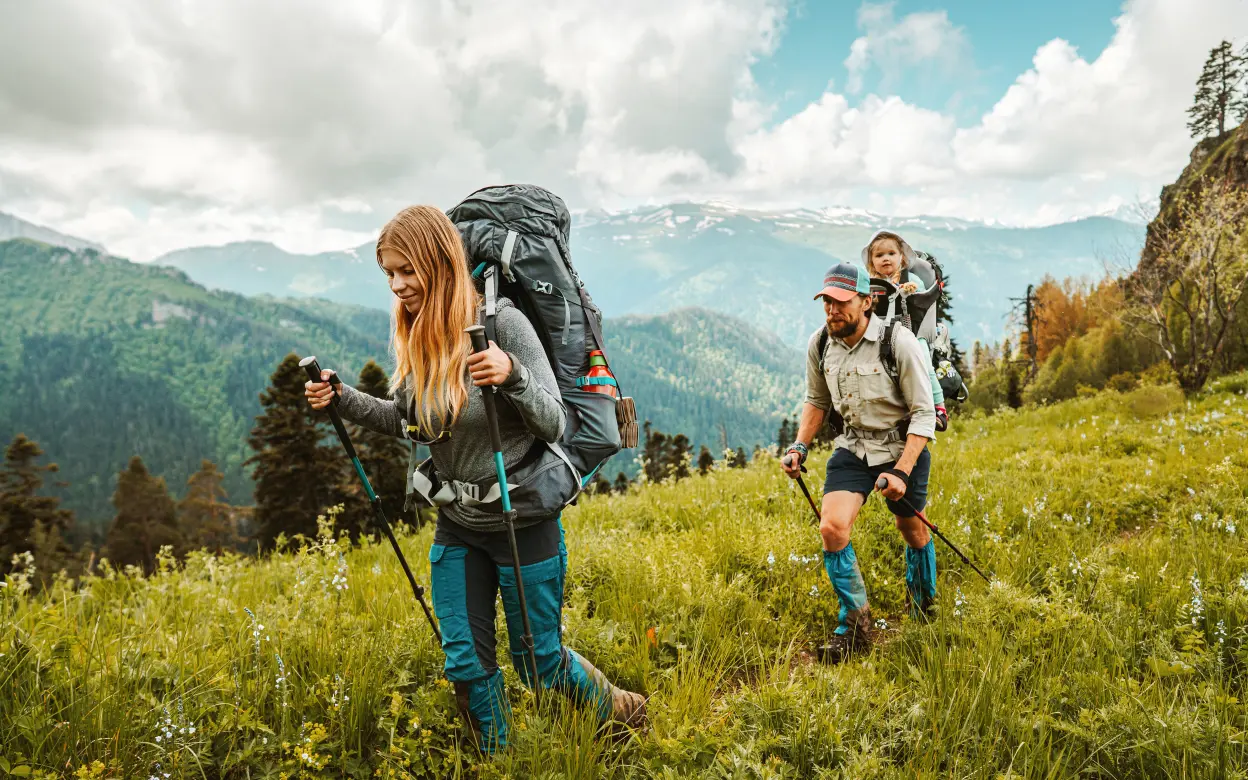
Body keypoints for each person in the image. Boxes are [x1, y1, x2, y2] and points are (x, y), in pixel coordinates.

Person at [304, 205, 645, 753]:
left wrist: (514, 376)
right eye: (389, 274)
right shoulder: (418, 332)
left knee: (538, 662)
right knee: (465, 662)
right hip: (457, 523)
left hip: (523, 517)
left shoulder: (502, 323)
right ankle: (497, 760)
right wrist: (342, 400)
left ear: (438, 262)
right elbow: (409, 420)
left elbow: (554, 420)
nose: (397, 286)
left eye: (407, 271)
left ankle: (622, 710)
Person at [781, 262, 938, 663]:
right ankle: (855, 624)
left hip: (901, 446)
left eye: (841, 302)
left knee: (912, 528)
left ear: (866, 302)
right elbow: (816, 401)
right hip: (853, 447)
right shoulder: (820, 345)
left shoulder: (897, 342)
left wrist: (902, 470)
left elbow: (922, 413)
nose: (832, 311)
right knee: (832, 527)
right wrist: (800, 446)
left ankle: (923, 605)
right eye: (826, 303)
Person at [861, 230, 948, 431]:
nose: (886, 259)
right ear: (872, 261)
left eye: (891, 254)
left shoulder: (910, 279)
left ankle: (939, 408)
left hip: (911, 332)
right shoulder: (870, 284)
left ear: (901, 257)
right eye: (879, 255)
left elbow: (918, 293)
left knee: (923, 361)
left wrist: (909, 289)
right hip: (881, 334)